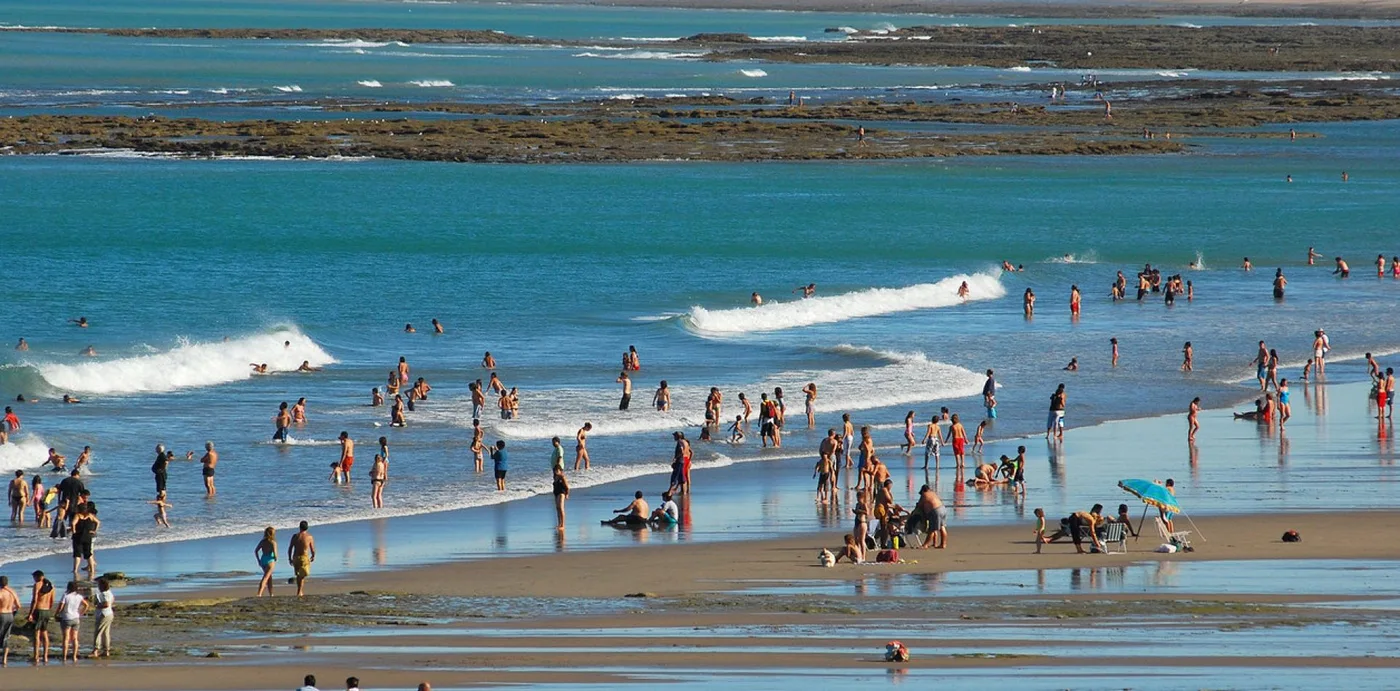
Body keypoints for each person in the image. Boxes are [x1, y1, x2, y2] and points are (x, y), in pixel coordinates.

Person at [57, 580, 87, 662]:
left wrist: (57, 613)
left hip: (66, 617)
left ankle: (64, 656)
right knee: (75, 638)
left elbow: (60, 607)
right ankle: (74, 656)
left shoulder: (66, 595)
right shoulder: (79, 596)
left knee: (66, 638)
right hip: (76, 617)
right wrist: (81, 613)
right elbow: (86, 605)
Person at [28, 570, 54, 663]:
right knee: (45, 633)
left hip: (38, 610)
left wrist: (30, 613)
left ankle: (36, 657)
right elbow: (52, 601)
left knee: (36, 634)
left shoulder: (37, 585)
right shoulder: (51, 586)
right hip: (47, 610)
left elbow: (34, 600)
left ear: (37, 577)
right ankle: (45, 656)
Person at [912, 484, 947, 549]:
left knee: (932, 529)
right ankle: (943, 544)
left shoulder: (924, 495)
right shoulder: (933, 493)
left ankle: (925, 545)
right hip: (943, 508)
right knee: (942, 527)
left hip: (935, 511)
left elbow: (919, 505)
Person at [72, 502, 100, 578]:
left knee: (77, 554)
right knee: (88, 554)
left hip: (78, 536)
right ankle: (92, 570)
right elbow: (98, 522)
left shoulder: (77, 515)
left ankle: (75, 570)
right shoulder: (90, 516)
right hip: (88, 536)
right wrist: (94, 530)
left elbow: (73, 523)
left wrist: (74, 531)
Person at [289, 521, 316, 597]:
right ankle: (299, 591)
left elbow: (290, 548)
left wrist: (289, 558)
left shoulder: (295, 536)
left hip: (295, 557)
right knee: (302, 575)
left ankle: (299, 591)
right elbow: (312, 548)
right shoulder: (309, 537)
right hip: (304, 557)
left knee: (299, 575)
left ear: (299, 527)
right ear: (307, 527)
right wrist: (313, 555)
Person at [90, 577, 114, 658]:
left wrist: (97, 605)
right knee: (106, 633)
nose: (98, 587)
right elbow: (112, 600)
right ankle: (106, 650)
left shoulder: (104, 594)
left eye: (99, 585)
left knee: (98, 632)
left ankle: (95, 650)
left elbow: (106, 604)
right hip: (109, 614)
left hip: (104, 614)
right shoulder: (109, 593)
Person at [255, 527, 277, 597]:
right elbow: (275, 554)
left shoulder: (263, 541)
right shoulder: (273, 542)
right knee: (266, 577)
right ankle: (259, 593)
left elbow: (256, 551)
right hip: (270, 560)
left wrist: (258, 560)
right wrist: (275, 558)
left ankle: (271, 593)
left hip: (263, 559)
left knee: (269, 577)